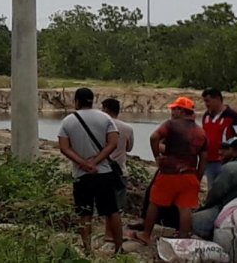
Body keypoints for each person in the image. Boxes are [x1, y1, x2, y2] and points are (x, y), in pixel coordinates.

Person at [132, 96, 208, 245]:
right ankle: (184, 239)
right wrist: (198, 176)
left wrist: (157, 157)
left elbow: (154, 137)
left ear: (181, 110)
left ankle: (146, 235)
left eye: (174, 109)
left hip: (170, 173)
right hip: (190, 174)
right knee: (185, 208)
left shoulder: (171, 125)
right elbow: (204, 158)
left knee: (155, 202)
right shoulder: (201, 132)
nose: (172, 112)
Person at [58, 88, 122, 255]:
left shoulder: (68, 121)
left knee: (84, 213)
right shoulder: (106, 117)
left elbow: (64, 148)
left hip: (82, 175)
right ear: (92, 100)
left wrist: (84, 163)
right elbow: (113, 142)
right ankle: (119, 248)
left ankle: (87, 249)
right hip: (104, 173)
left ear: (76, 101)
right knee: (112, 211)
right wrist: (97, 161)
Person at [193, 139, 237, 239]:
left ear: (235, 151)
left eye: (225, 149)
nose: (220, 152)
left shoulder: (230, 168)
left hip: (230, 211)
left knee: (191, 221)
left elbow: (216, 193)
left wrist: (203, 207)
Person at [100, 97, 135, 247]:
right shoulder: (127, 128)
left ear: (107, 110)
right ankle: (113, 234)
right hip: (120, 170)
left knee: (107, 204)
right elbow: (129, 148)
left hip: (103, 169)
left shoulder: (100, 127)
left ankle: (108, 233)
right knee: (118, 207)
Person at [201, 88, 237, 184]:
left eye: (208, 101)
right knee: (213, 191)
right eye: (204, 101)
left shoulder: (233, 116)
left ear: (217, 99)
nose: (206, 104)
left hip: (226, 162)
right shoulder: (206, 116)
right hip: (209, 161)